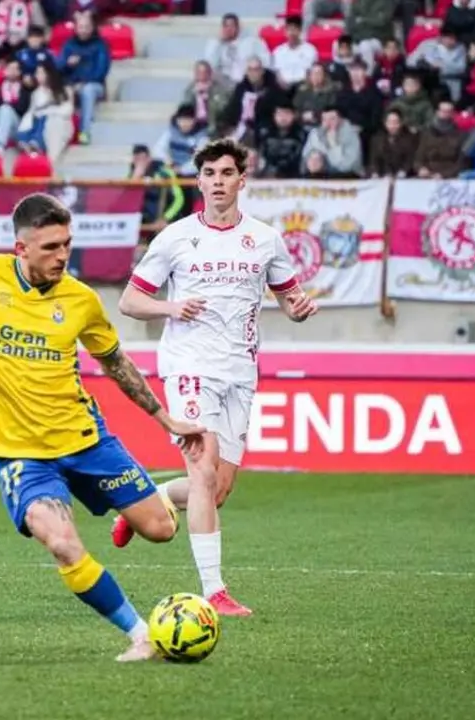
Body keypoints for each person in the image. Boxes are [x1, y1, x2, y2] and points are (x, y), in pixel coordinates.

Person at [0, 193, 207, 662]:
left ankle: (155, 499)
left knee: (162, 530)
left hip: (86, 440)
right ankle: (141, 633)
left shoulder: (81, 300)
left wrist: (165, 418)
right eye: (49, 247)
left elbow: (116, 363)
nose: (62, 256)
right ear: (19, 249)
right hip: (22, 453)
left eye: (66, 244)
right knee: (63, 544)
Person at [112, 138, 319, 617]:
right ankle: (214, 592)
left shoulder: (265, 239)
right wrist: (170, 305)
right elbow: (129, 301)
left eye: (227, 173)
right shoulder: (176, 237)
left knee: (217, 489)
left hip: (239, 372)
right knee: (203, 471)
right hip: (189, 367)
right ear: (199, 180)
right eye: (210, 174)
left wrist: (301, 309)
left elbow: (290, 301)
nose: (218, 182)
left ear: (241, 180)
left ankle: (144, 499)